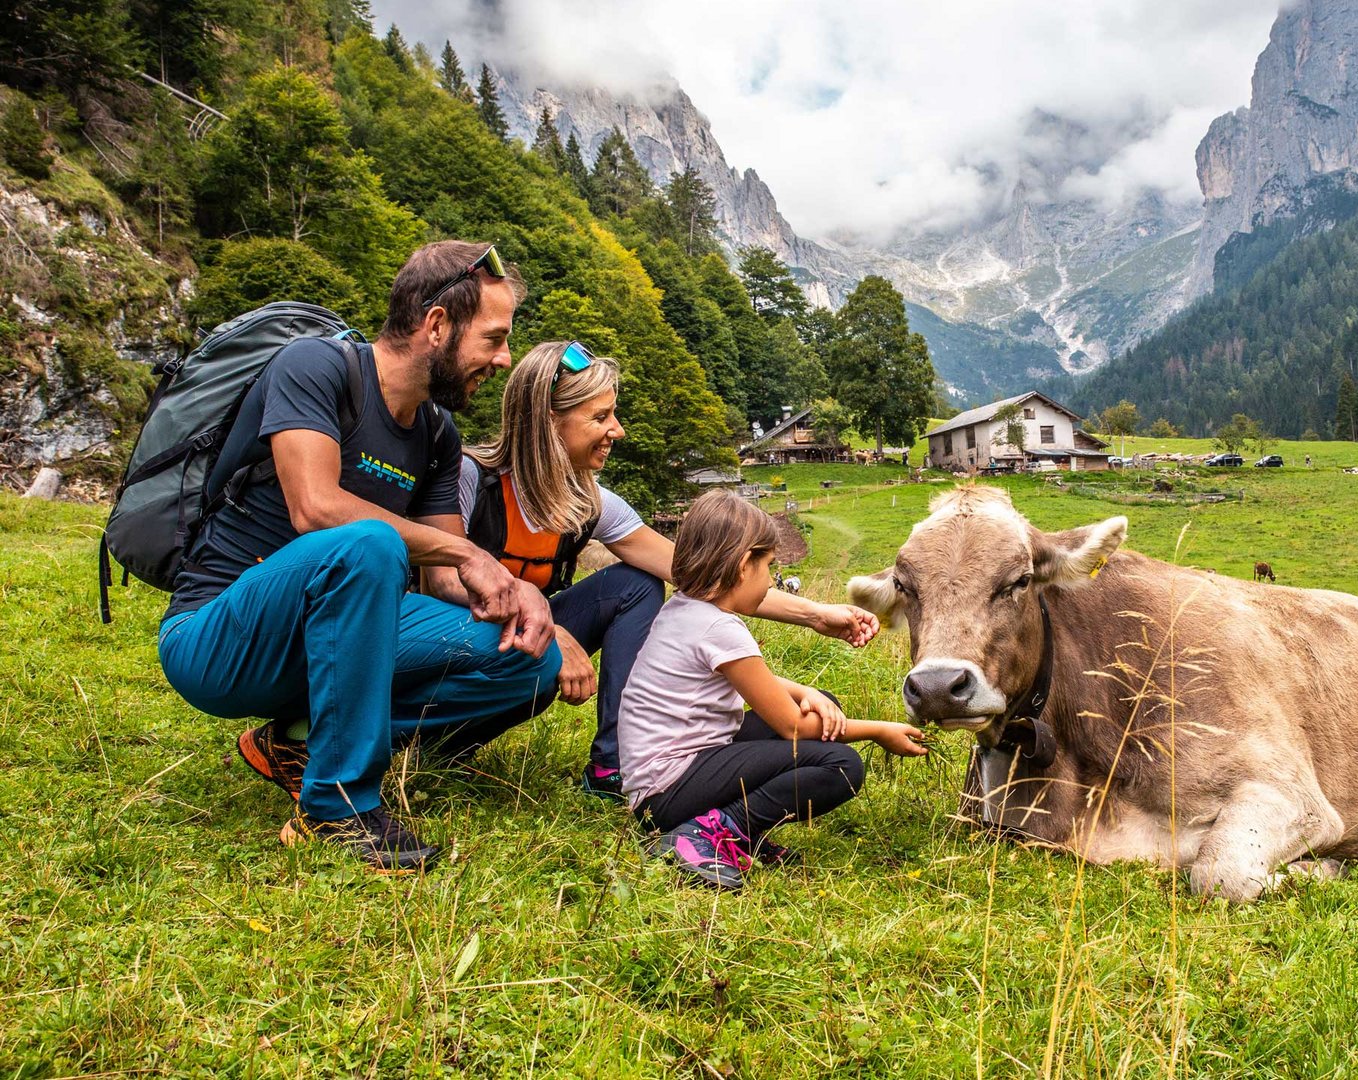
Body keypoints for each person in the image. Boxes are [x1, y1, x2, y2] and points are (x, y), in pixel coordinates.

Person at [157, 241, 559, 874]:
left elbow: (443, 576)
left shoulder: (435, 434)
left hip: (342, 634)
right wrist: (464, 549)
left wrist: (517, 594)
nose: (504, 359)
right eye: (495, 339)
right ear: (436, 325)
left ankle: (300, 740)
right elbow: (315, 507)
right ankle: (337, 805)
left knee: (530, 660)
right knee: (366, 543)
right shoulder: (315, 367)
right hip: (218, 638)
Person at [457, 341, 882, 798]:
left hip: (529, 633)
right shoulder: (469, 480)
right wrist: (547, 628)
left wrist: (817, 615)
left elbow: (703, 573)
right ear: (546, 423)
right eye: (600, 418)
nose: (616, 431)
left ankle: (613, 764)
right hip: (462, 635)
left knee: (635, 582)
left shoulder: (588, 501)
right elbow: (438, 587)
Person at [619, 490, 928, 890]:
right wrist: (879, 730)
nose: (770, 581)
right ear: (744, 565)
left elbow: (734, 680)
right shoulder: (720, 628)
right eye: (768, 566)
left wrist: (804, 690)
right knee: (841, 765)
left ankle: (739, 834)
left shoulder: (685, 609)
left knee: (824, 708)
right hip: (668, 790)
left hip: (664, 780)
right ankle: (712, 834)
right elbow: (793, 730)